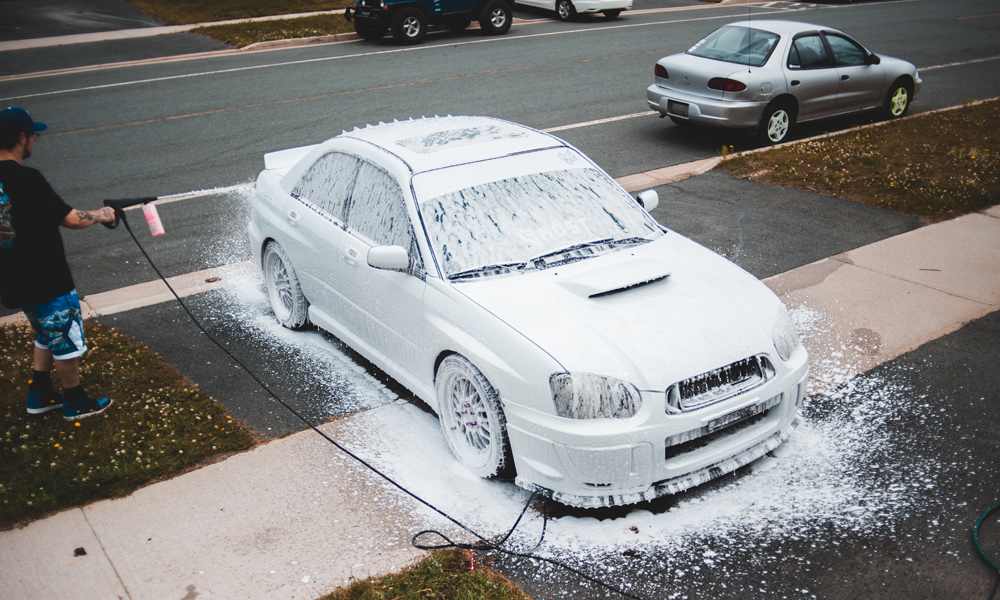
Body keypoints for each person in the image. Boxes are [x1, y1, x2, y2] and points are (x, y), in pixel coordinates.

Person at [0, 107, 117, 421]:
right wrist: (103, 215)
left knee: (45, 333)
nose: (33, 142)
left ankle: (39, 395)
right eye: (33, 136)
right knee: (65, 340)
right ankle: (75, 401)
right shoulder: (28, 178)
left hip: (14, 278)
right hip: (47, 277)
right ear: (22, 138)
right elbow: (70, 219)